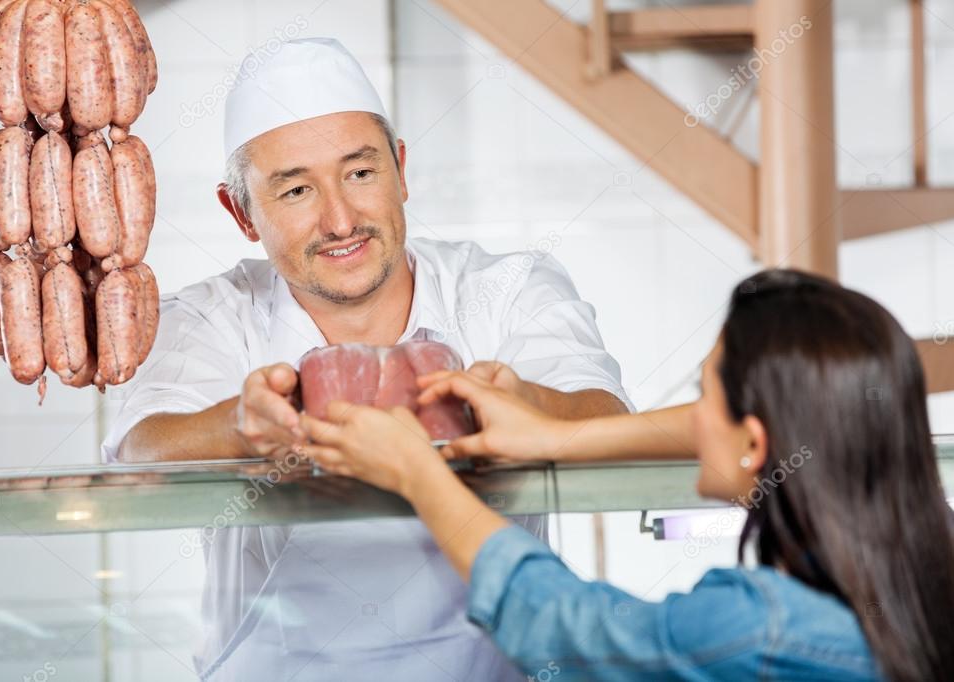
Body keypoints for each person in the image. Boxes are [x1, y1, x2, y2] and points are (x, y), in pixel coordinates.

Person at [101, 38, 631, 680]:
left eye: (360, 173)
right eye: (295, 191)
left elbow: (606, 418)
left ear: (401, 170)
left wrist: (523, 403)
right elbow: (138, 447)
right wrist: (240, 425)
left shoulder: (509, 289)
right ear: (240, 212)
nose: (341, 219)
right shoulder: (212, 316)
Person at [302, 269, 954, 681]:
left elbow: (561, 626)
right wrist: (555, 434)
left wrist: (419, 475)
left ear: (756, 442)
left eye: (702, 397)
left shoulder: (757, 631)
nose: (690, 417)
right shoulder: (925, 560)